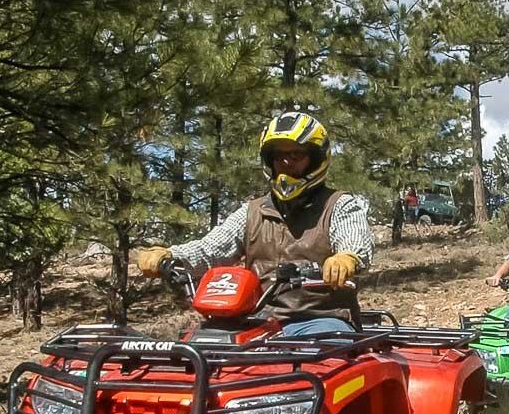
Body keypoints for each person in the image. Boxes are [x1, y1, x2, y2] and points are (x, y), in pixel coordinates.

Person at [137, 111, 374, 336]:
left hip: (319, 318)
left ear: (316, 159)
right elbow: (211, 249)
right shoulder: (253, 211)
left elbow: (355, 240)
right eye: (278, 156)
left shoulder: (339, 205)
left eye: (295, 155)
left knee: (321, 362)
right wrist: (170, 255)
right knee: (204, 349)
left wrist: (348, 258)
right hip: (260, 318)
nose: (285, 163)